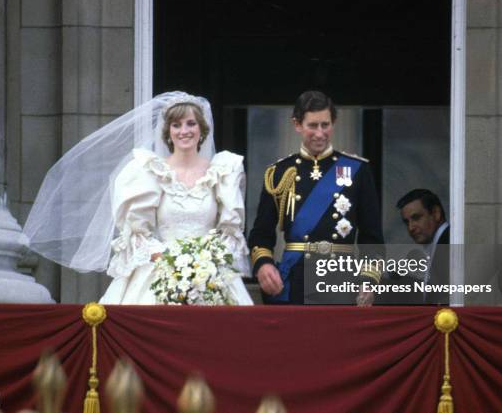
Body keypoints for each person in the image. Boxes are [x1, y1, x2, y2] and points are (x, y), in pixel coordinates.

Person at [23, 92, 253, 305]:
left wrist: (206, 263)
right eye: (176, 125)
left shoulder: (223, 171)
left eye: (191, 123)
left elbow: (229, 234)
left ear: (202, 129)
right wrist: (170, 262)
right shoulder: (148, 171)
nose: (184, 130)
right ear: (168, 132)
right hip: (160, 269)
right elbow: (137, 233)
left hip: (211, 275)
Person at [248, 90, 384, 305]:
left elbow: (372, 238)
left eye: (325, 125)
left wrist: (368, 280)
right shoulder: (281, 172)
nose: (320, 133)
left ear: (333, 123)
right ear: (297, 124)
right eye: (312, 125)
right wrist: (264, 264)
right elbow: (261, 233)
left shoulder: (356, 170)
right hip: (295, 278)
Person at [395, 188, 449, 304]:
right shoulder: (437, 245)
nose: (411, 228)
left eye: (416, 218)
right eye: (406, 222)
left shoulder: (449, 242)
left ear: (436, 213)